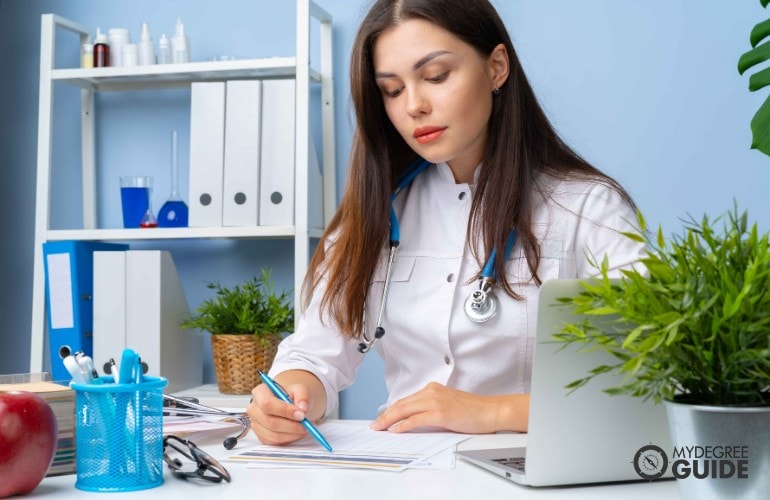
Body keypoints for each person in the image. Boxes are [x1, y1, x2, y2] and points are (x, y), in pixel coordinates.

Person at [247, 0, 645, 446]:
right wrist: (293, 395)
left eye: (436, 77)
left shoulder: (588, 208)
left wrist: (490, 411)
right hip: (403, 472)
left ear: (496, 67)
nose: (414, 106)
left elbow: (649, 374)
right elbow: (316, 355)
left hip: (531, 469)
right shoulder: (373, 214)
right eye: (392, 91)